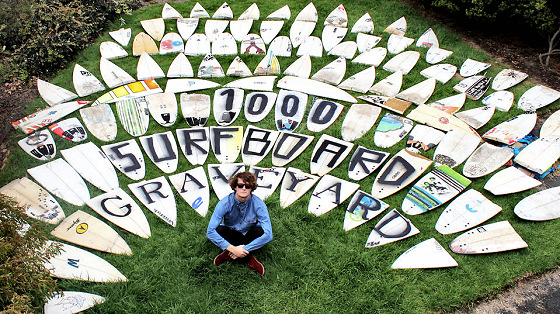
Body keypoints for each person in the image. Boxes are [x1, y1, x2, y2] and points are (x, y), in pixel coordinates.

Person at [206, 171, 273, 275]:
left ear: (252, 188)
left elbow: (268, 235)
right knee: (219, 230)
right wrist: (233, 248)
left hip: (250, 234)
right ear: (235, 187)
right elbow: (210, 231)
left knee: (261, 231)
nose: (244, 188)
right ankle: (248, 258)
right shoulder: (224, 203)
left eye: (248, 186)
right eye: (240, 185)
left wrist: (243, 249)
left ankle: (230, 255)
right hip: (232, 233)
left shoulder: (259, 205)